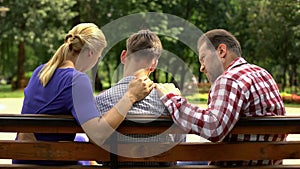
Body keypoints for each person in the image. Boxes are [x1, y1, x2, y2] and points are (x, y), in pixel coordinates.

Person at [13, 23, 154, 165]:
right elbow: (98, 135)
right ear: (90, 53)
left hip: (24, 159)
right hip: (47, 162)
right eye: (98, 57)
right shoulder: (77, 80)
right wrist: (131, 96)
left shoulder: (40, 71)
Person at [156, 29, 286, 166]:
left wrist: (171, 98)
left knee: (174, 163)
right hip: (265, 164)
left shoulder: (230, 79)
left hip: (236, 165)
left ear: (221, 51)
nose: (201, 68)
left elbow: (213, 128)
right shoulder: (262, 73)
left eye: (203, 58)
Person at [95, 29, 182, 166]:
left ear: (123, 56)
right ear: (154, 65)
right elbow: (178, 147)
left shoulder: (101, 100)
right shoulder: (168, 101)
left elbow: (98, 156)